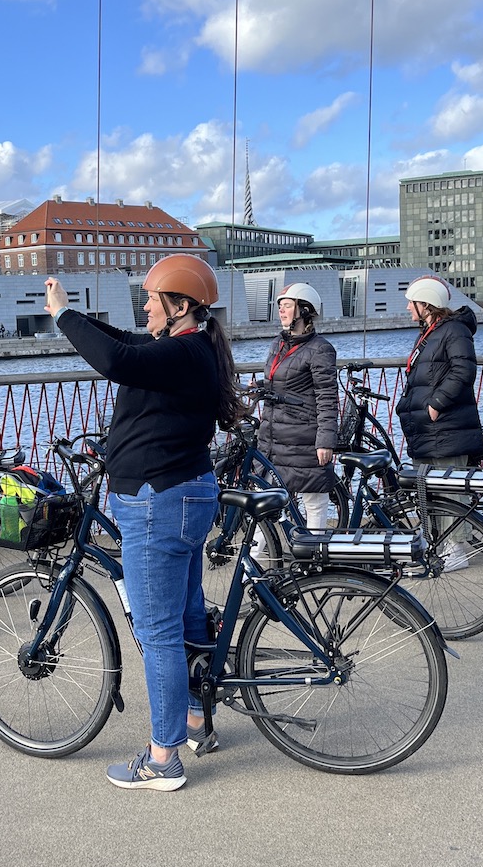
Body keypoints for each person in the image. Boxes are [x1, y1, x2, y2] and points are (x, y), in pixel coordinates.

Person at [44, 255, 244, 791]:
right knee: (182, 622)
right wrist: (78, 315)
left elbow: (115, 360)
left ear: (180, 306)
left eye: (153, 300)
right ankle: (197, 721)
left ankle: (163, 759)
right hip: (180, 496)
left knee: (157, 634)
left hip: (158, 501)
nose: (146, 307)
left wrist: (65, 318)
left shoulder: (180, 352)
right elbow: (125, 342)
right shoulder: (185, 346)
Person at [394, 275, 483, 570]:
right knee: (427, 487)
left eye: (412, 303)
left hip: (445, 424)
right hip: (429, 427)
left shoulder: (453, 331)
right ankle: (436, 543)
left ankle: (456, 549)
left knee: (448, 487)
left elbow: (463, 371)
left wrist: (435, 404)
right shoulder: (432, 332)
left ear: (427, 304)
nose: (408, 308)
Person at [256, 282, 339, 529]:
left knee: (314, 499)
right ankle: (258, 559)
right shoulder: (278, 344)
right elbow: (278, 381)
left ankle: (315, 555)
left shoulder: (320, 349)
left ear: (303, 310)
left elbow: (327, 396)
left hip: (304, 435)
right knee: (269, 501)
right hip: (275, 436)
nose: (281, 311)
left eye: (287, 306)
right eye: (280, 306)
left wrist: (325, 441)